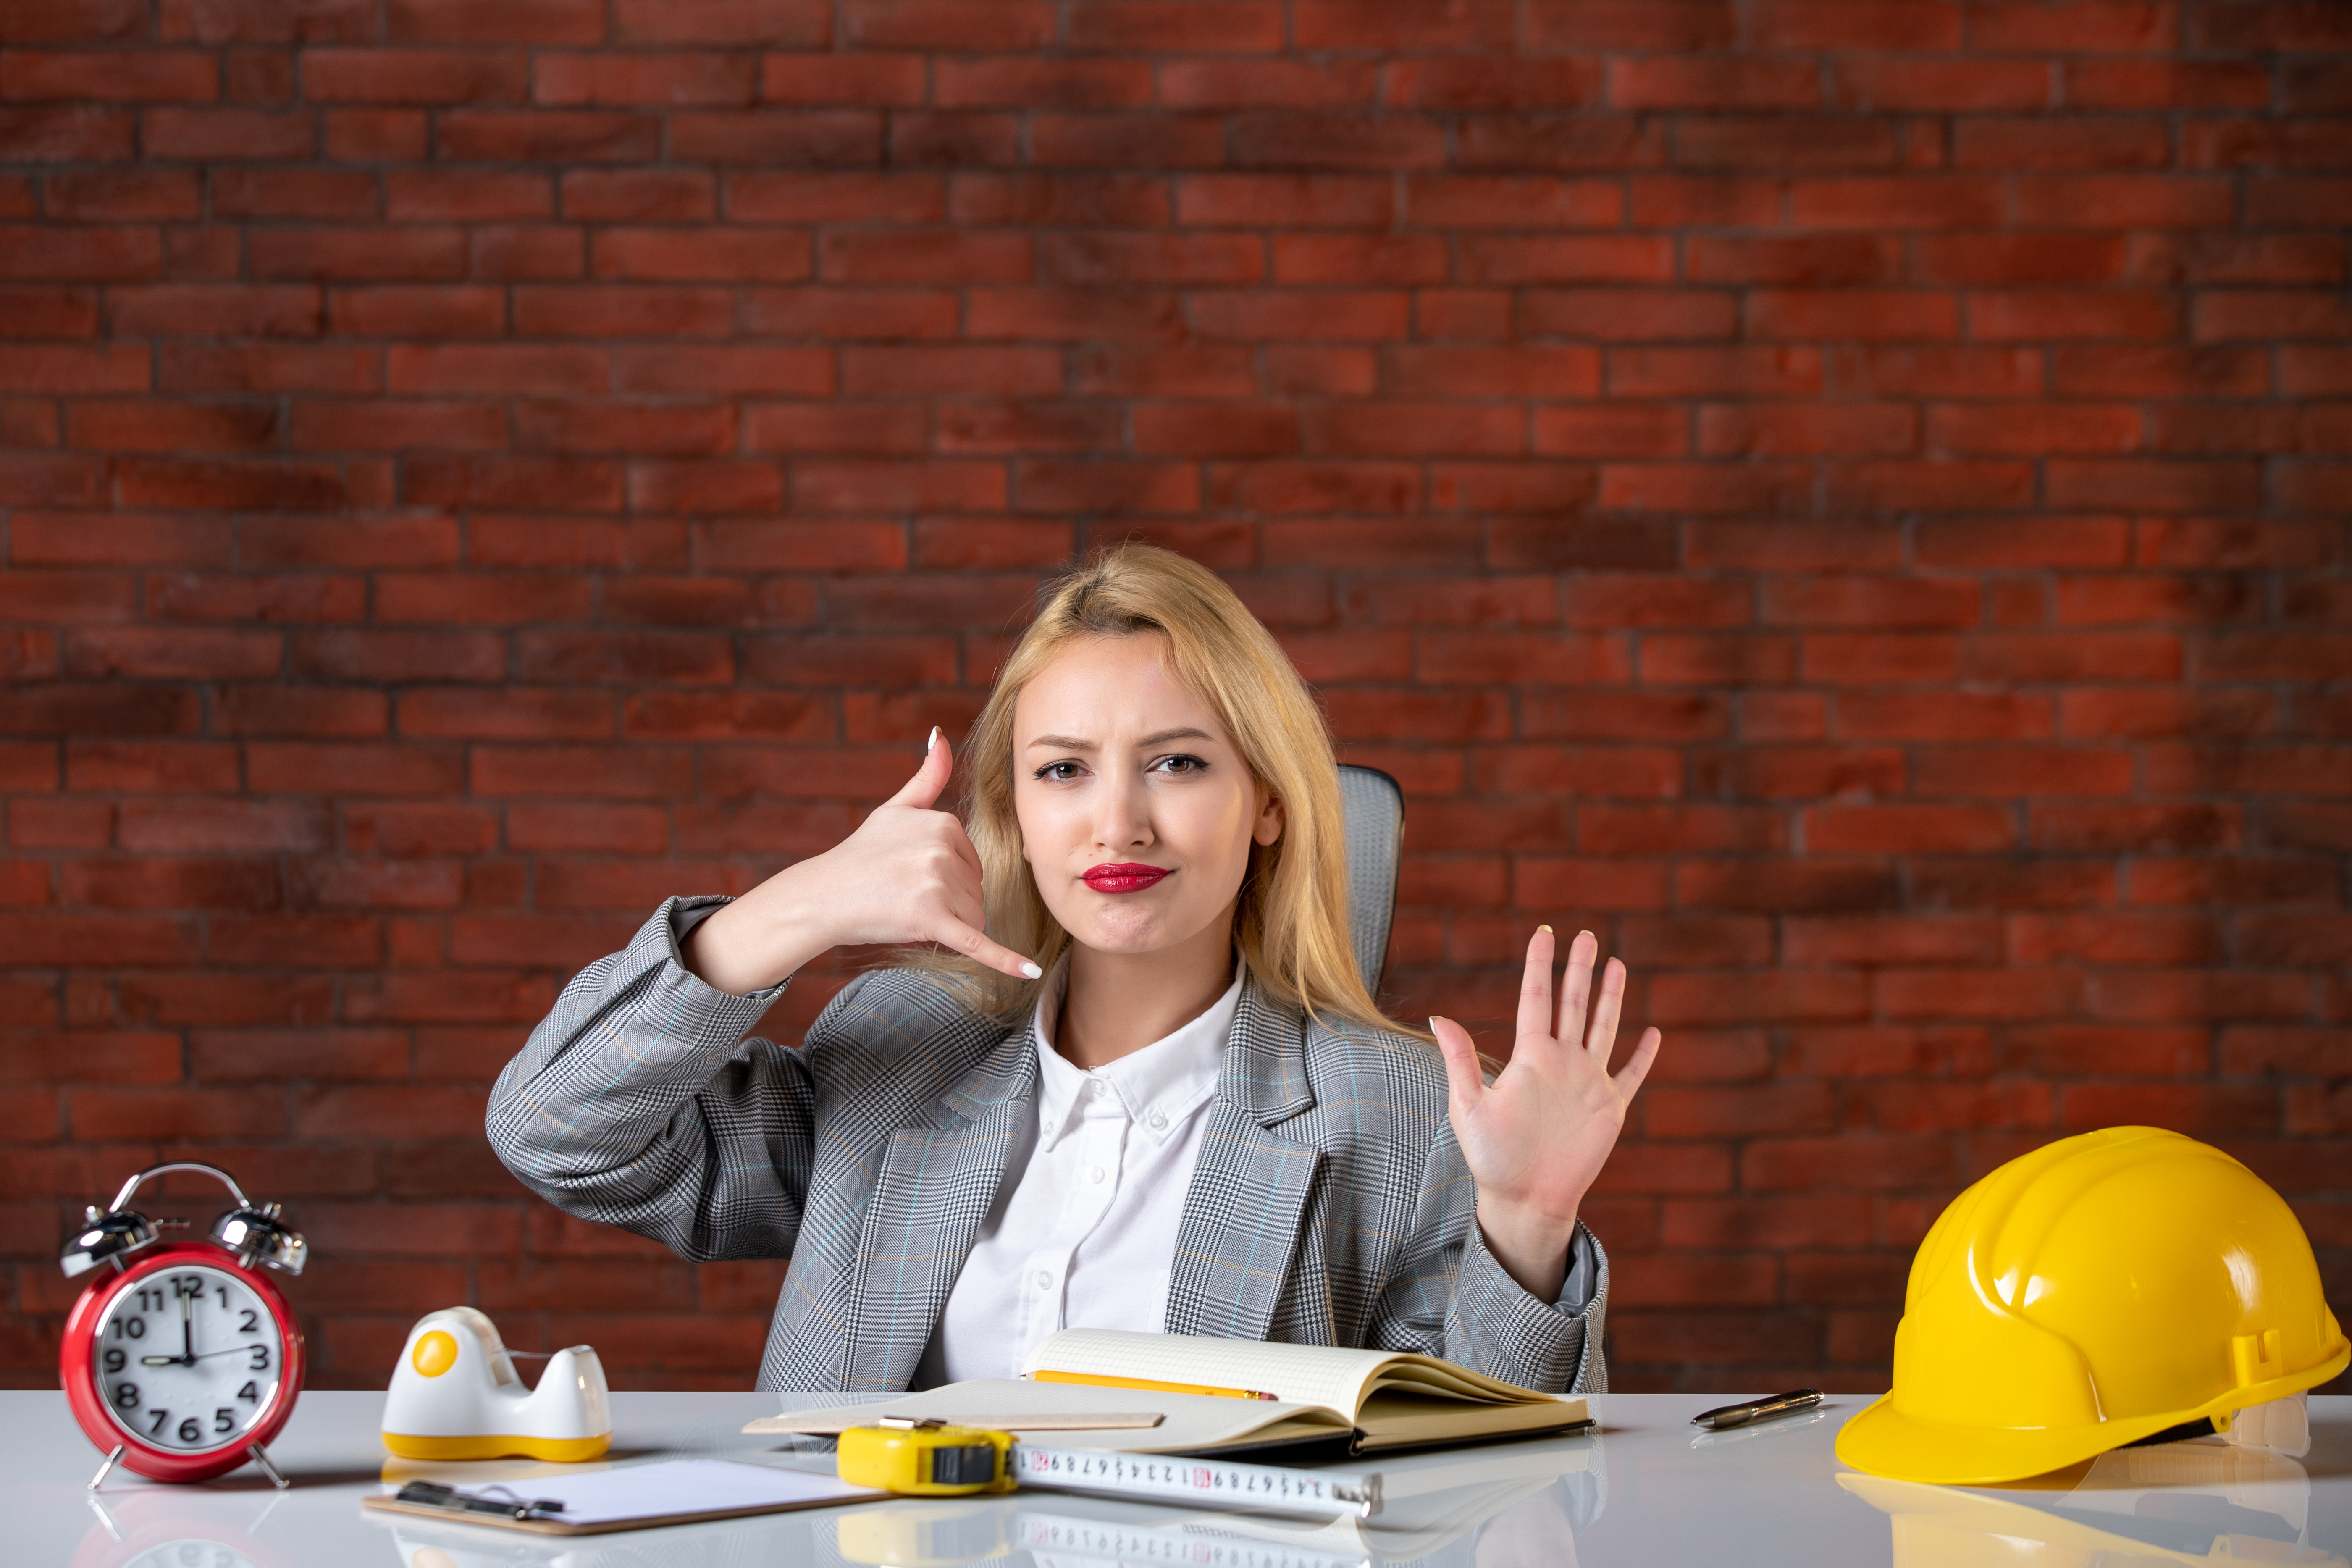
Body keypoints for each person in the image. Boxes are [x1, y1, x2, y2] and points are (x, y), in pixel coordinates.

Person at [486, 545, 1662, 1393]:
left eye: (1178, 763)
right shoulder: (894, 1053)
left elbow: (1495, 1485)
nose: (1118, 824)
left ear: (1266, 804)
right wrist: (794, 909)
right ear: (1014, 814)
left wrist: (1527, 1226)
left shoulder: (1401, 1118)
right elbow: (557, 1133)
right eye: (1063, 771)